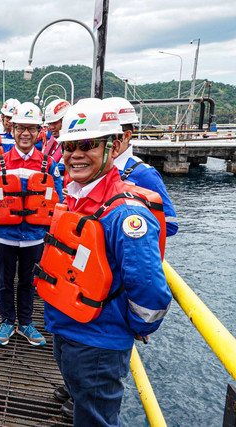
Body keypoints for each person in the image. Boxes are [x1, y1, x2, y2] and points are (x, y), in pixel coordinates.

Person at [35, 98, 172, 425]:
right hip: (66, 327)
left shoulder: (126, 214)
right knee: (85, 407)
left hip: (98, 341)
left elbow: (150, 290)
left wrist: (136, 328)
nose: (75, 154)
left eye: (87, 144)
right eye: (69, 146)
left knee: (97, 419)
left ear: (112, 146)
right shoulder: (77, 197)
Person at [0, 102, 63, 347]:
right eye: (20, 128)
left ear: (40, 131)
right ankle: (8, 321)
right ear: (13, 129)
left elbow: (57, 200)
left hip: (35, 237)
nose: (25, 134)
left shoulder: (48, 165)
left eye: (31, 128)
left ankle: (26, 322)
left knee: (29, 282)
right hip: (5, 236)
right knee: (4, 281)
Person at [102, 97, 178, 236]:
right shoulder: (97, 169)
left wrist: (129, 231)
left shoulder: (144, 174)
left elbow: (170, 224)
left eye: (108, 136)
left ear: (126, 136)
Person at [42, 98, 70, 176]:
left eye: (55, 123)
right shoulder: (51, 141)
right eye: (50, 124)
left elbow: (61, 167)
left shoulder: (74, 144)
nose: (51, 127)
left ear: (65, 121)